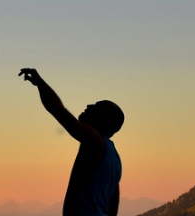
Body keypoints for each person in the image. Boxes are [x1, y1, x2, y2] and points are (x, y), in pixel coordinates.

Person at [19, 68, 124, 216]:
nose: (89, 106)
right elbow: (113, 202)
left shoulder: (94, 140)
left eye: (96, 106)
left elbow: (57, 110)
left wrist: (39, 83)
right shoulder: (114, 158)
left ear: (108, 121)